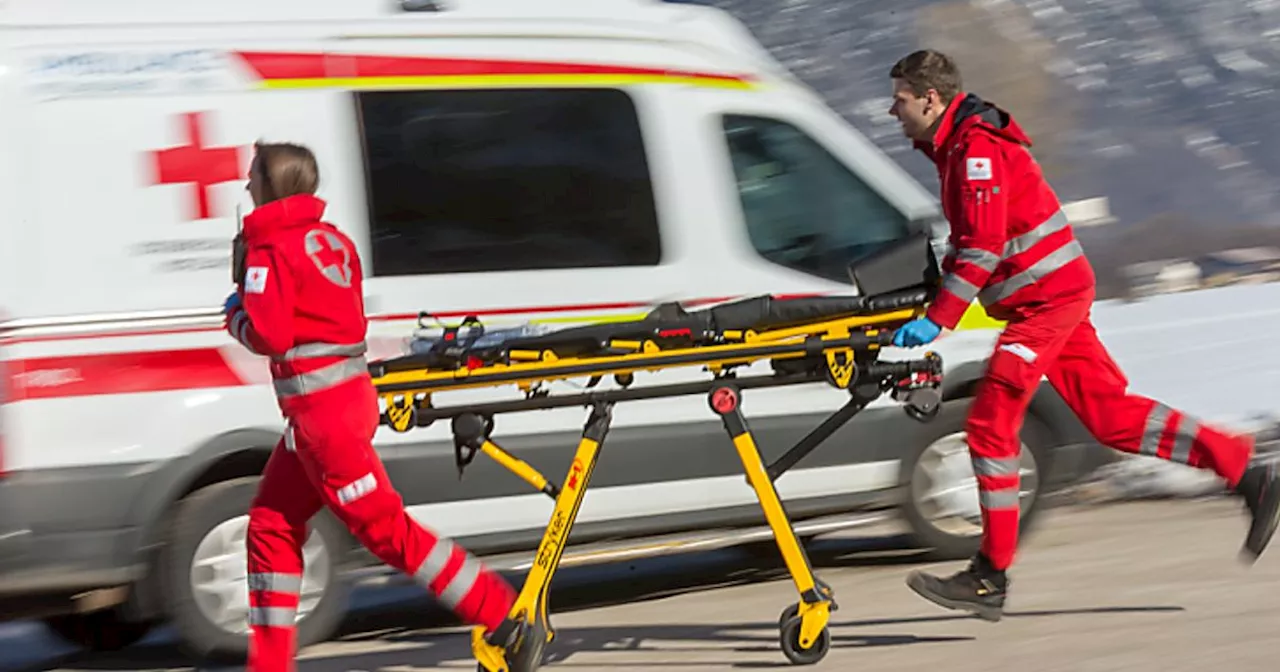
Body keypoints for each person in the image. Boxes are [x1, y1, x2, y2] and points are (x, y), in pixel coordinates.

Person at [885, 49, 1280, 622]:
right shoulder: (955, 148)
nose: (891, 110)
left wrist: (938, 319)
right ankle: (1247, 471)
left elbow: (983, 248)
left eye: (899, 99)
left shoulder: (975, 151)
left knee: (991, 421)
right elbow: (980, 244)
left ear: (930, 98)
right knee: (1111, 418)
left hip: (1046, 303)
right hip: (1046, 300)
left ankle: (989, 576)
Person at [222, 142, 517, 671]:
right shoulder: (332, 240)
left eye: (252, 178)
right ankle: (267, 664)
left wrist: (236, 311)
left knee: (386, 531)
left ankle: (501, 611)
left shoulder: (270, 252)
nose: (246, 187)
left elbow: (270, 332)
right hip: (341, 405)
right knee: (270, 524)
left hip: (321, 420)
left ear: (272, 184)